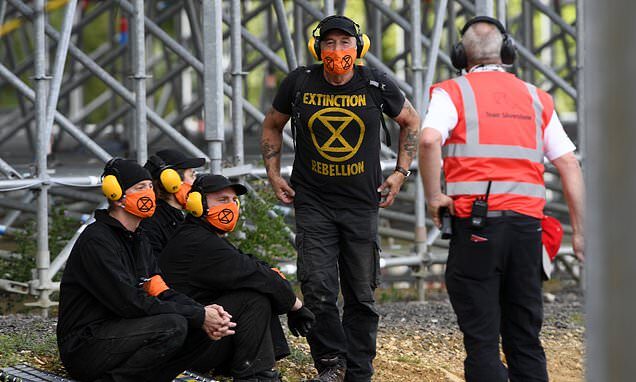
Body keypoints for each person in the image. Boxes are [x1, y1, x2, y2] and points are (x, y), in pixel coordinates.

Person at [418, 16, 585, 382]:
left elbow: (429, 140)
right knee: (525, 338)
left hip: (476, 228)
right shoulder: (535, 98)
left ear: (461, 55)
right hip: (527, 231)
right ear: (507, 52)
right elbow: (569, 164)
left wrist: (434, 197)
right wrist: (580, 232)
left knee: (481, 341)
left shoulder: (452, 92)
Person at [260, 15, 420, 382]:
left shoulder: (376, 83)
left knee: (361, 293)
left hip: (362, 203)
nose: (336, 51)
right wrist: (273, 174)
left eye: (344, 43)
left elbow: (410, 121)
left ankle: (359, 370)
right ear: (318, 48)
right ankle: (332, 363)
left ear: (358, 48)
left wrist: (400, 172)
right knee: (317, 288)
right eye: (329, 43)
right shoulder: (299, 82)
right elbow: (272, 123)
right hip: (313, 202)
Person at [56, 158, 236, 382]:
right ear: (116, 194)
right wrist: (196, 314)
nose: (149, 193)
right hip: (85, 346)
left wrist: (202, 311)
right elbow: (129, 302)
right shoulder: (97, 240)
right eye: (140, 188)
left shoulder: (139, 239)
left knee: (201, 326)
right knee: (174, 325)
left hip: (122, 332)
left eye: (150, 186)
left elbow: (160, 290)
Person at [159, 174, 315, 382]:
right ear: (197, 202)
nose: (231, 206)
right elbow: (257, 275)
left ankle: (259, 373)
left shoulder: (201, 236)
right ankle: (256, 376)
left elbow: (253, 265)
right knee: (253, 297)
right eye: (222, 200)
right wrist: (295, 305)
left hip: (193, 338)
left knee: (257, 287)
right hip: (185, 349)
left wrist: (274, 280)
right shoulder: (200, 243)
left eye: (234, 201)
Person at [141, 149, 205, 258]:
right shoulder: (152, 223)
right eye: (192, 175)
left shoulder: (181, 216)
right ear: (172, 181)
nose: (196, 182)